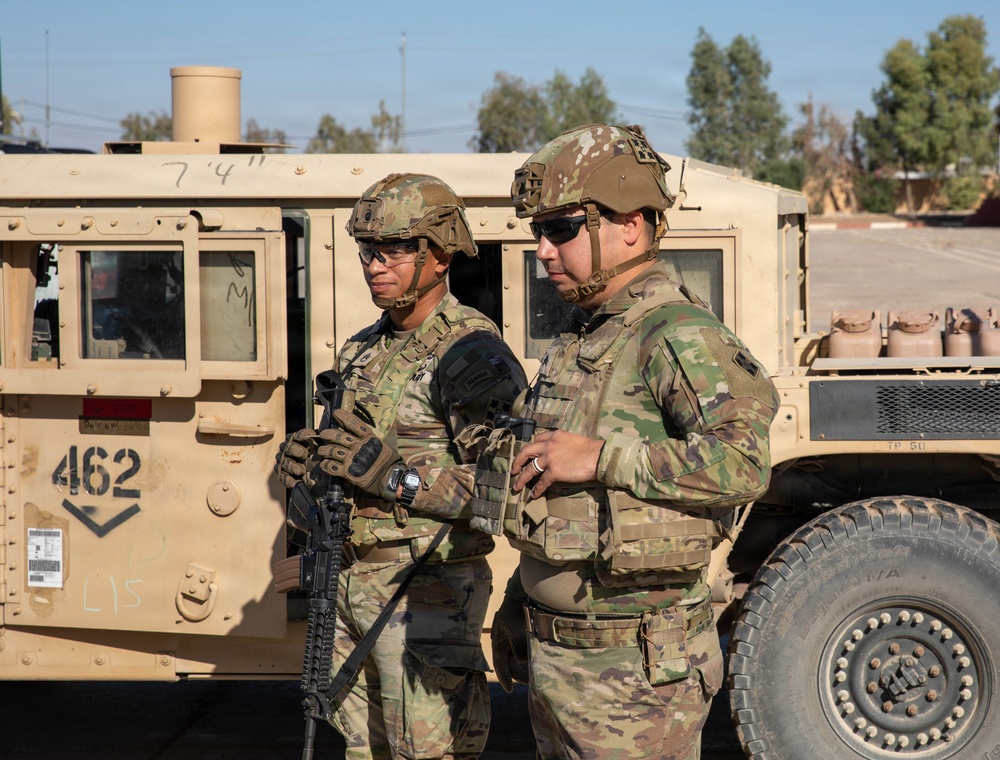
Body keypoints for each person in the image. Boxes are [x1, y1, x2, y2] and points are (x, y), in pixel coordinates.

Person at [488, 125, 779, 760]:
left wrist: (599, 457)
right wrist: (522, 596)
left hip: (636, 673)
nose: (542, 251)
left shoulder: (673, 333)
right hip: (566, 656)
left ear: (632, 224)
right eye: (538, 232)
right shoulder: (585, 335)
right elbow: (550, 488)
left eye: (562, 229)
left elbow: (743, 462)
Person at [277, 173, 527, 760]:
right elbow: (350, 464)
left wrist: (396, 478)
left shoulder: (472, 353)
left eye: (393, 250)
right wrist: (308, 473)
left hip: (426, 597)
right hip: (348, 584)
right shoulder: (363, 350)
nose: (374, 265)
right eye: (368, 251)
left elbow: (507, 487)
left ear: (440, 257)